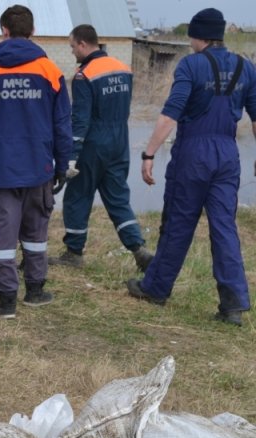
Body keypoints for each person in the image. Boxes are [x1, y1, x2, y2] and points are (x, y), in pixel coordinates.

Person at [127, 8, 255, 326]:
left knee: (179, 224)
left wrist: (149, 154)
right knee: (224, 227)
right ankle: (233, 304)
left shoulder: (191, 64)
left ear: (198, 36)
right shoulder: (246, 67)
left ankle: (155, 288)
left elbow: (171, 114)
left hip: (194, 154)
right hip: (227, 154)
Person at [0, 4, 71, 319]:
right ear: (32, 32)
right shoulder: (50, 71)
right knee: (35, 232)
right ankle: (35, 290)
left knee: (2, 235)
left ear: (3, 32)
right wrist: (62, 164)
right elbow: (63, 123)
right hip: (38, 167)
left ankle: (7, 300)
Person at [49, 24, 153, 272]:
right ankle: (139, 250)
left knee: (78, 196)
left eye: (73, 47)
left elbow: (80, 120)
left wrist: (71, 157)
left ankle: (74, 253)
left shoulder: (85, 76)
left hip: (93, 144)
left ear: (83, 44)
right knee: (118, 197)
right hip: (119, 141)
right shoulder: (123, 68)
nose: (73, 52)